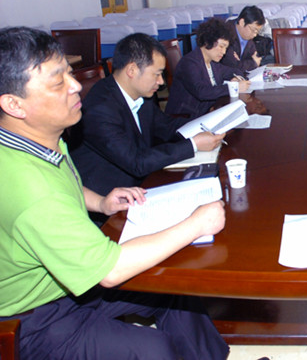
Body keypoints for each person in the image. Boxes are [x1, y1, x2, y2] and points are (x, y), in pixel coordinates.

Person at [0, 27, 229, 359]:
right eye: (58, 82)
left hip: (67, 284)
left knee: (174, 290)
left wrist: (100, 201)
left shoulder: (37, 140)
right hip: (35, 318)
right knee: (154, 349)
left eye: (69, 73)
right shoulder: (33, 190)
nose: (76, 85)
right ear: (14, 104)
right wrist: (197, 224)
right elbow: (111, 271)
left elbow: (64, 183)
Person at [71, 33, 224, 203]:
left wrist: (210, 124)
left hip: (141, 184)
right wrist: (193, 144)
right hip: (111, 198)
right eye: (156, 74)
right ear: (131, 70)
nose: (161, 82)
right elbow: (137, 162)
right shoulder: (100, 109)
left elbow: (166, 126)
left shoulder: (139, 94)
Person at [165, 18, 250, 118]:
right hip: (185, 117)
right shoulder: (189, 63)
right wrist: (233, 87)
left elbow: (234, 71)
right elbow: (202, 92)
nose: (224, 52)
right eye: (221, 46)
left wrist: (237, 78)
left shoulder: (213, 63)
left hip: (207, 111)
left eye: (226, 48)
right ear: (207, 41)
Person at [221, 5, 266, 72]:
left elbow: (257, 58)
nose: (255, 35)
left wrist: (241, 63)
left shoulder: (248, 38)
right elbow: (232, 66)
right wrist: (253, 63)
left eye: (257, 31)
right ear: (242, 22)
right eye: (253, 30)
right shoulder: (225, 34)